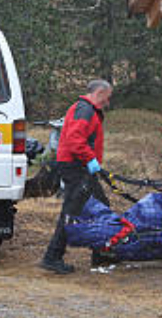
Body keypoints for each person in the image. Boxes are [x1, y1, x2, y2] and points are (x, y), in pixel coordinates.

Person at [39, 80, 113, 274]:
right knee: (72, 210)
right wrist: (91, 160)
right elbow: (74, 140)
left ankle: (101, 254)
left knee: (100, 207)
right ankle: (52, 256)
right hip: (76, 167)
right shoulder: (84, 110)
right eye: (107, 97)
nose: (108, 101)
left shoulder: (85, 109)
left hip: (81, 167)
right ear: (99, 92)